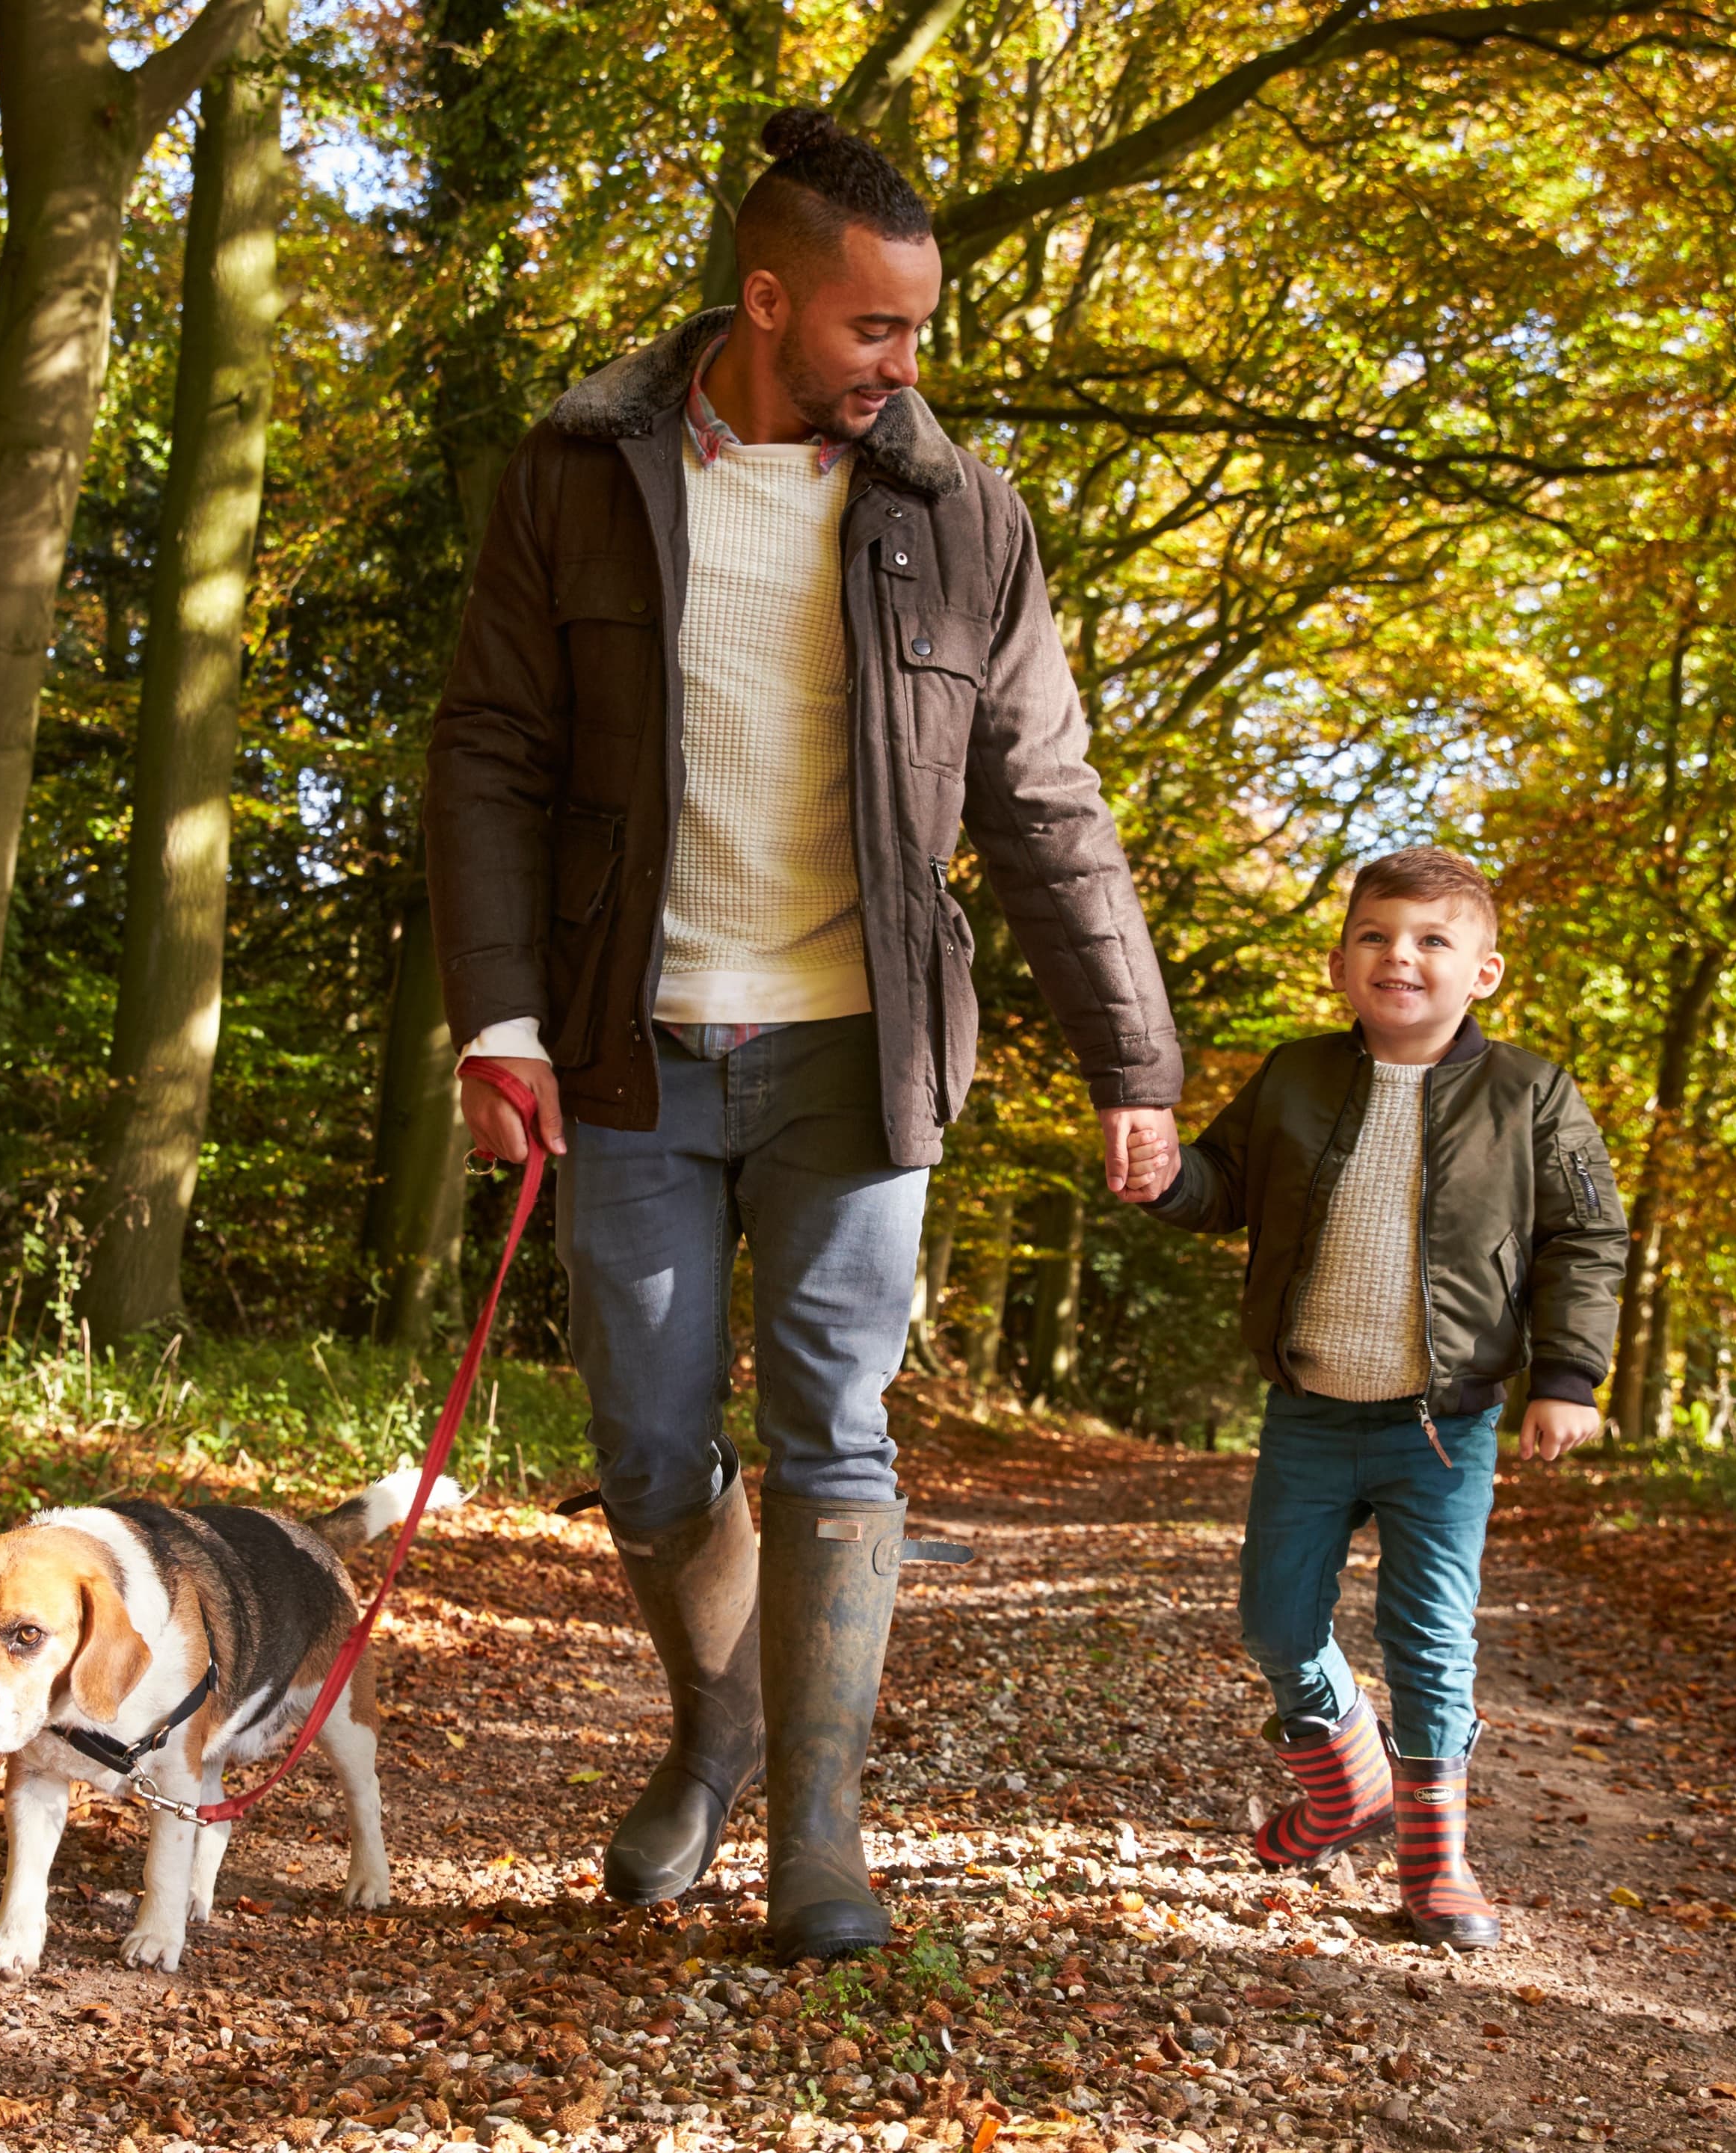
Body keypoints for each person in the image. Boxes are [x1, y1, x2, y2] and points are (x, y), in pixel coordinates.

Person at [424, 106, 1184, 1959]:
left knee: (836, 1428)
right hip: (630, 1045)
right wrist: (498, 1021)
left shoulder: (959, 516)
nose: (905, 366)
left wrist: (1133, 1061)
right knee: (655, 1439)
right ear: (767, 301)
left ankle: (818, 1835)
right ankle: (721, 1733)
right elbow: (490, 754)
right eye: (874, 330)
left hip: (862, 1047)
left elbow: (1044, 801)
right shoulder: (577, 472)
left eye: (919, 331)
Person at [1140, 846, 1628, 1947]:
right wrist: (1166, 1175)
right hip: (1310, 1409)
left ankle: (1436, 1859)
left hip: (1443, 1427)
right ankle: (1344, 1780)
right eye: (1374, 936)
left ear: (1484, 973)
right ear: (1337, 962)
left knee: (1430, 1639)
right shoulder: (1297, 1075)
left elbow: (1586, 1236)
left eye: (1429, 940)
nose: (1397, 956)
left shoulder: (1530, 1095)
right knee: (1274, 1619)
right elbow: (1222, 1185)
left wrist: (1567, 1377)